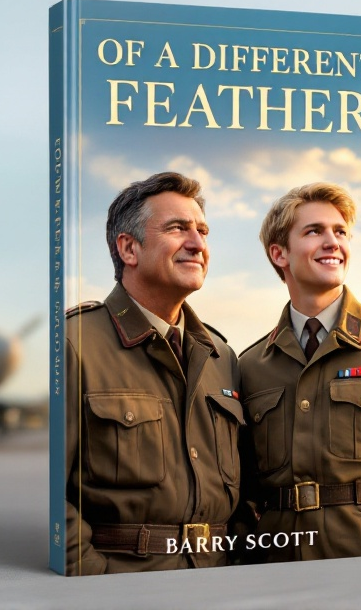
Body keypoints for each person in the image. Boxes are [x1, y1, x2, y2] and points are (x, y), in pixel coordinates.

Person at [65, 172, 243, 575]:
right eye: (178, 228)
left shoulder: (222, 357)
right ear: (128, 248)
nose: (198, 244)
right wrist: (97, 579)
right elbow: (46, 495)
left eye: (202, 230)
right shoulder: (74, 343)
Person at [238, 182, 361, 562]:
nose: (333, 242)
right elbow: (240, 488)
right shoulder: (249, 366)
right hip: (277, 566)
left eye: (341, 232)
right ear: (279, 253)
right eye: (315, 231)